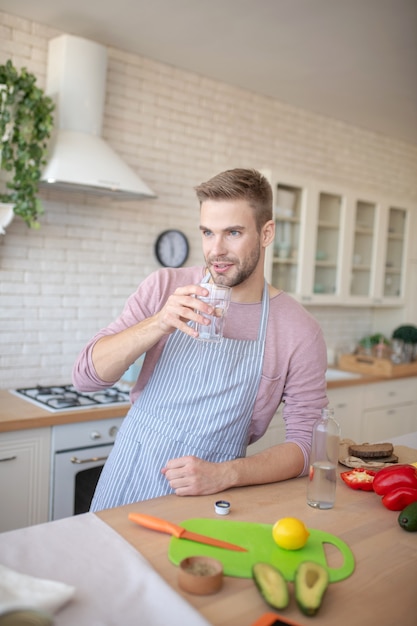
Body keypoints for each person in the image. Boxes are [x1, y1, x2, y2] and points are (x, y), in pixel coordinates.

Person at [72, 168, 328, 511]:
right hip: (129, 474)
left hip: (214, 495)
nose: (216, 250)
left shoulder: (298, 330)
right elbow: (86, 378)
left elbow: (308, 445)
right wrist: (160, 322)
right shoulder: (164, 286)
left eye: (233, 233)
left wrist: (227, 474)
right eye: (208, 233)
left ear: (266, 233)